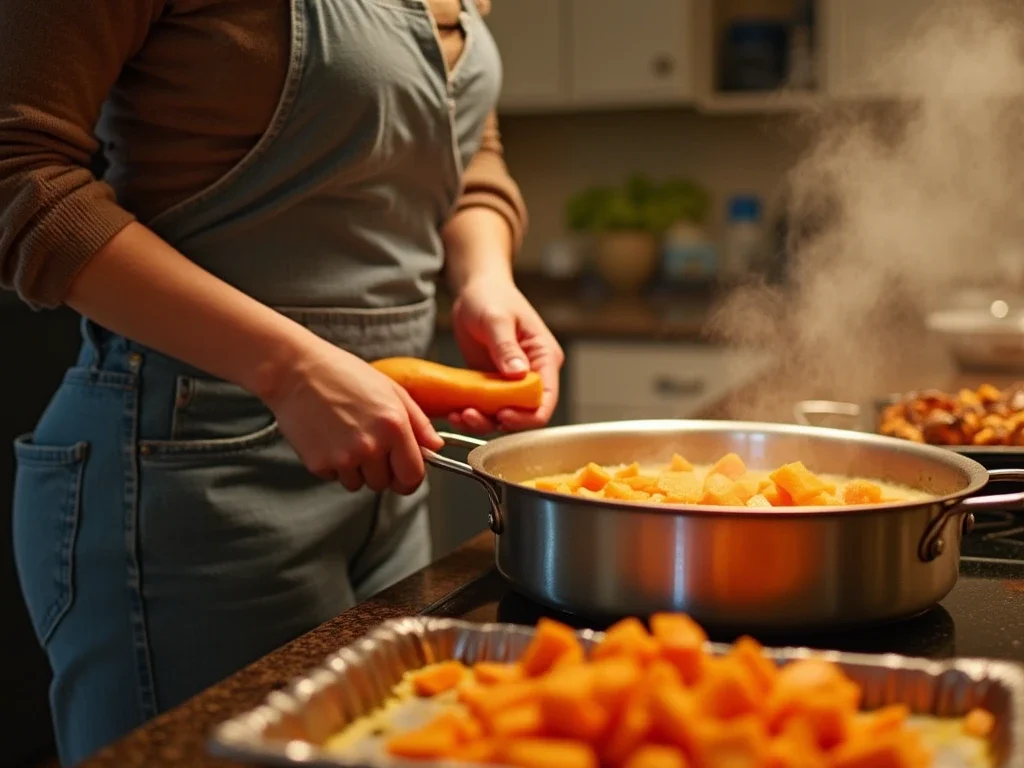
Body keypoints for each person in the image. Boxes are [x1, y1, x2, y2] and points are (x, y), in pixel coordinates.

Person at [0, 0, 564, 763]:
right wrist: (289, 368)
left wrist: (486, 276)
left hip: (386, 478)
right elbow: (18, 174)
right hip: (186, 480)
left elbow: (469, 147)